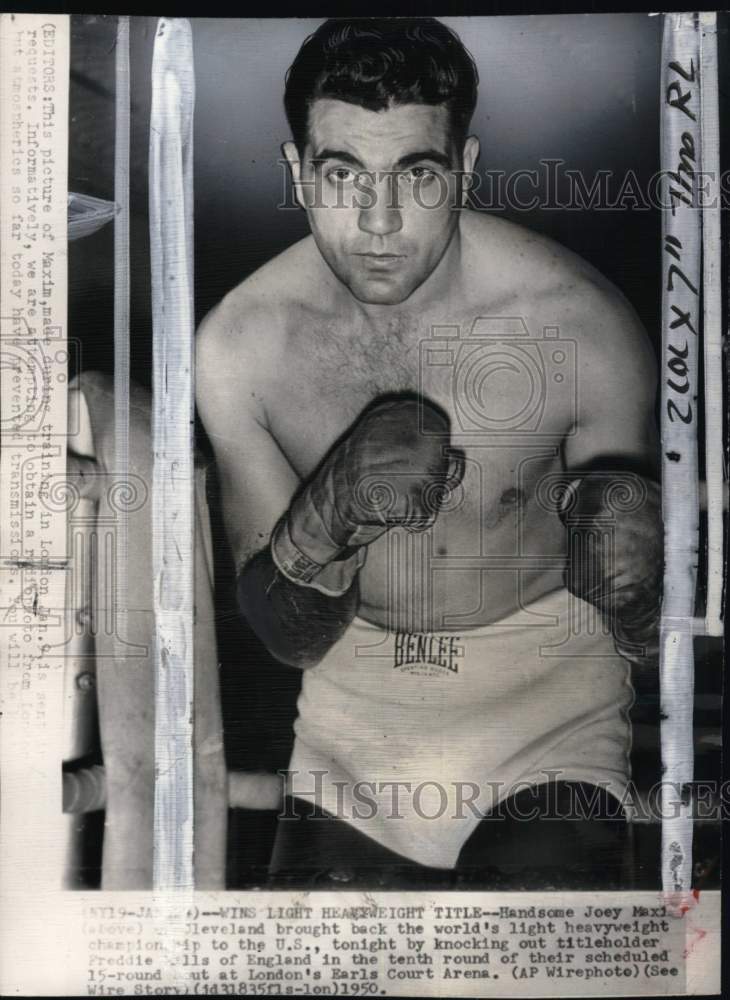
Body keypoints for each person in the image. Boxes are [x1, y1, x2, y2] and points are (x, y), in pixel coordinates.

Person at [196, 17, 662, 888]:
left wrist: (644, 591)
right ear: (297, 173)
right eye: (343, 176)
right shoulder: (242, 346)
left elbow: (642, 614)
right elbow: (281, 638)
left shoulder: (577, 325)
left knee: (538, 952)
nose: (380, 222)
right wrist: (323, 521)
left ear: (467, 170)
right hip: (350, 726)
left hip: (550, 714)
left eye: (418, 174)